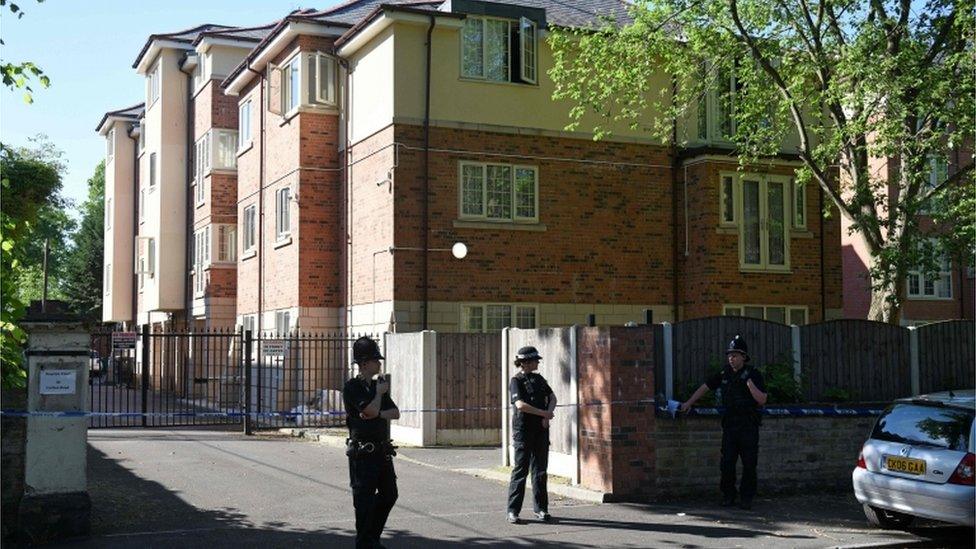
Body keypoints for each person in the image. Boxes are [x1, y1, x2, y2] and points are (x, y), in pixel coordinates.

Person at [680, 335, 767, 510]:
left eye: (735, 355)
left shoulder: (753, 374)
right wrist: (689, 402)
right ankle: (728, 495)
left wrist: (750, 385)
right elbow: (706, 386)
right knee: (727, 463)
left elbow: (762, 399)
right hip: (730, 424)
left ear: (743, 356)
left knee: (749, 464)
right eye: (729, 355)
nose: (731, 358)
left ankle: (746, 498)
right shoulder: (724, 373)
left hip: (748, 425)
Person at [343, 336, 400, 548]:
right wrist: (376, 401)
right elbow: (370, 409)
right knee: (364, 502)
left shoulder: (379, 386)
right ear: (365, 363)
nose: (379, 363)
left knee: (389, 494)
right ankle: (365, 543)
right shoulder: (352, 388)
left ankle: (371, 537)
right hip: (362, 454)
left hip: (381, 452)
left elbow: (395, 413)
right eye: (376, 360)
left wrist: (375, 412)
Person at [507, 346, 557, 524]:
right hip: (523, 431)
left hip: (541, 431)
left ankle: (541, 509)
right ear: (526, 362)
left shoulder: (540, 379)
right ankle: (513, 511)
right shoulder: (516, 381)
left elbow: (553, 398)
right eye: (535, 360)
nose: (537, 362)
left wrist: (548, 413)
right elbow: (520, 405)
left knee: (540, 471)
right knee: (520, 471)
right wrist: (543, 414)